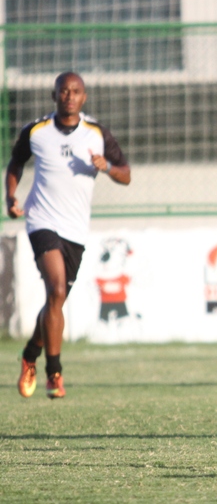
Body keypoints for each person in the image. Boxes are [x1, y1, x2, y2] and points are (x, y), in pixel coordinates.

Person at [7, 71, 131, 399]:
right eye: (64, 91)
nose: (69, 96)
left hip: (76, 230)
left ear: (84, 97)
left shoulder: (96, 133)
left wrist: (106, 167)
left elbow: (126, 174)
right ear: (54, 96)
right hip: (41, 221)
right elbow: (15, 165)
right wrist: (10, 197)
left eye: (75, 91)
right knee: (57, 289)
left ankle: (30, 356)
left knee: (55, 301)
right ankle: (55, 374)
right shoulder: (36, 131)